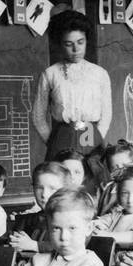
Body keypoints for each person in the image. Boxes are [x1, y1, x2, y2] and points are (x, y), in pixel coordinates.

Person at [31, 11, 113, 161]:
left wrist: (97, 137)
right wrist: (52, 142)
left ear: (87, 40)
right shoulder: (50, 74)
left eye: (80, 42)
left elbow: (106, 114)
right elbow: (38, 116)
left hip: (91, 136)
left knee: (91, 178)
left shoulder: (100, 74)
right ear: (60, 44)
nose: (76, 50)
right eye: (69, 44)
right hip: (62, 137)